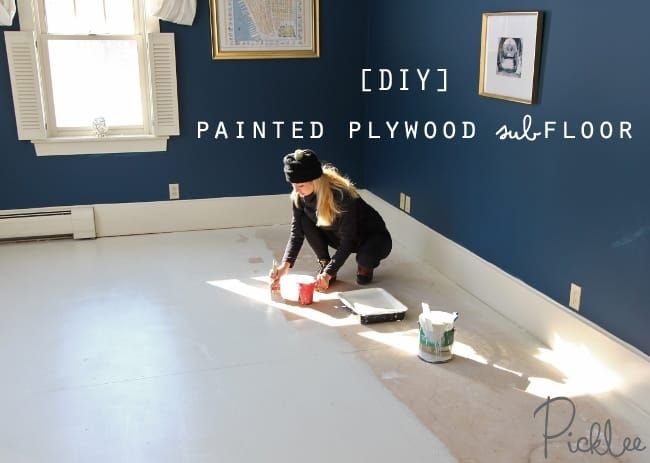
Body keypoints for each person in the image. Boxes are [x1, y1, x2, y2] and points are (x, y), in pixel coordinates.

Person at [269, 148, 392, 292]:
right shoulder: (299, 197)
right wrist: (285, 266)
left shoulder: (341, 196)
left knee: (365, 259)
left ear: (315, 181)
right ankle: (324, 262)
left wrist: (327, 274)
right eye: (293, 185)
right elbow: (296, 234)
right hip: (339, 233)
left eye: (300, 185)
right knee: (304, 221)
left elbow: (348, 239)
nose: (296, 190)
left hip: (372, 237)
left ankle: (365, 265)